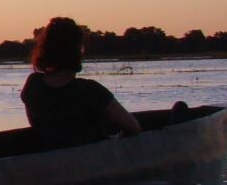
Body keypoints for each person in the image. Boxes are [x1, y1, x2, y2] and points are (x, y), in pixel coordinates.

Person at [21, 17, 141, 150]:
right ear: (77, 51)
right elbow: (133, 127)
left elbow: (36, 127)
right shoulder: (90, 91)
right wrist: (116, 140)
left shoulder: (33, 85)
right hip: (91, 161)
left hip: (50, 159)